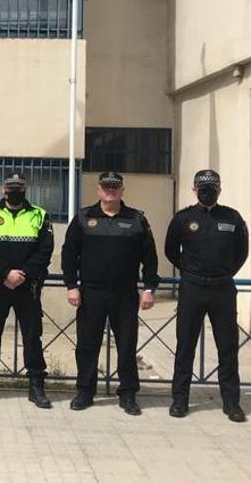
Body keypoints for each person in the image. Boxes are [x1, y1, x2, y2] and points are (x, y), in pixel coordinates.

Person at [62, 172, 158, 415]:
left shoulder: (137, 219)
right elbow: (69, 253)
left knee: (126, 344)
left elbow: (150, 258)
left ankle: (128, 394)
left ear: (122, 191)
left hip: (124, 293)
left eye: (115, 187)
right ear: (98, 190)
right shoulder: (84, 217)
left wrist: (149, 289)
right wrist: (71, 285)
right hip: (91, 292)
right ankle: (85, 391)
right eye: (106, 187)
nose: (110, 191)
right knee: (87, 345)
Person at [165, 169, 248, 422]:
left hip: (222, 289)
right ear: (194, 189)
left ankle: (232, 403)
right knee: (185, 346)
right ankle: (180, 401)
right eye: (203, 188)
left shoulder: (232, 218)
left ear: (220, 190)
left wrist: (223, 272)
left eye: (212, 187)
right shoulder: (183, 218)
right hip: (193, 289)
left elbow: (241, 253)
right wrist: (190, 271)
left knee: (227, 347)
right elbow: (170, 251)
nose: (208, 191)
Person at [0, 172, 53, 409]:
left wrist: (23, 274)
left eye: (18, 187)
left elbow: (45, 250)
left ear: (25, 188)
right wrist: (5, 273)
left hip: (28, 285)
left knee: (32, 335)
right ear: (3, 189)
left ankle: (36, 386)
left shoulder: (39, 214)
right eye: (10, 187)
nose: (14, 191)